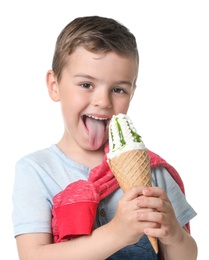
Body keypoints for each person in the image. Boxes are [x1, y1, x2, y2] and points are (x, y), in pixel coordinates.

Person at [12, 15, 198, 260]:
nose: (103, 101)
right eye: (86, 85)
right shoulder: (36, 170)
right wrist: (117, 234)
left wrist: (174, 235)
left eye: (118, 89)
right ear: (54, 85)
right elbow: (32, 256)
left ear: (132, 94)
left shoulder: (152, 170)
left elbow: (187, 255)